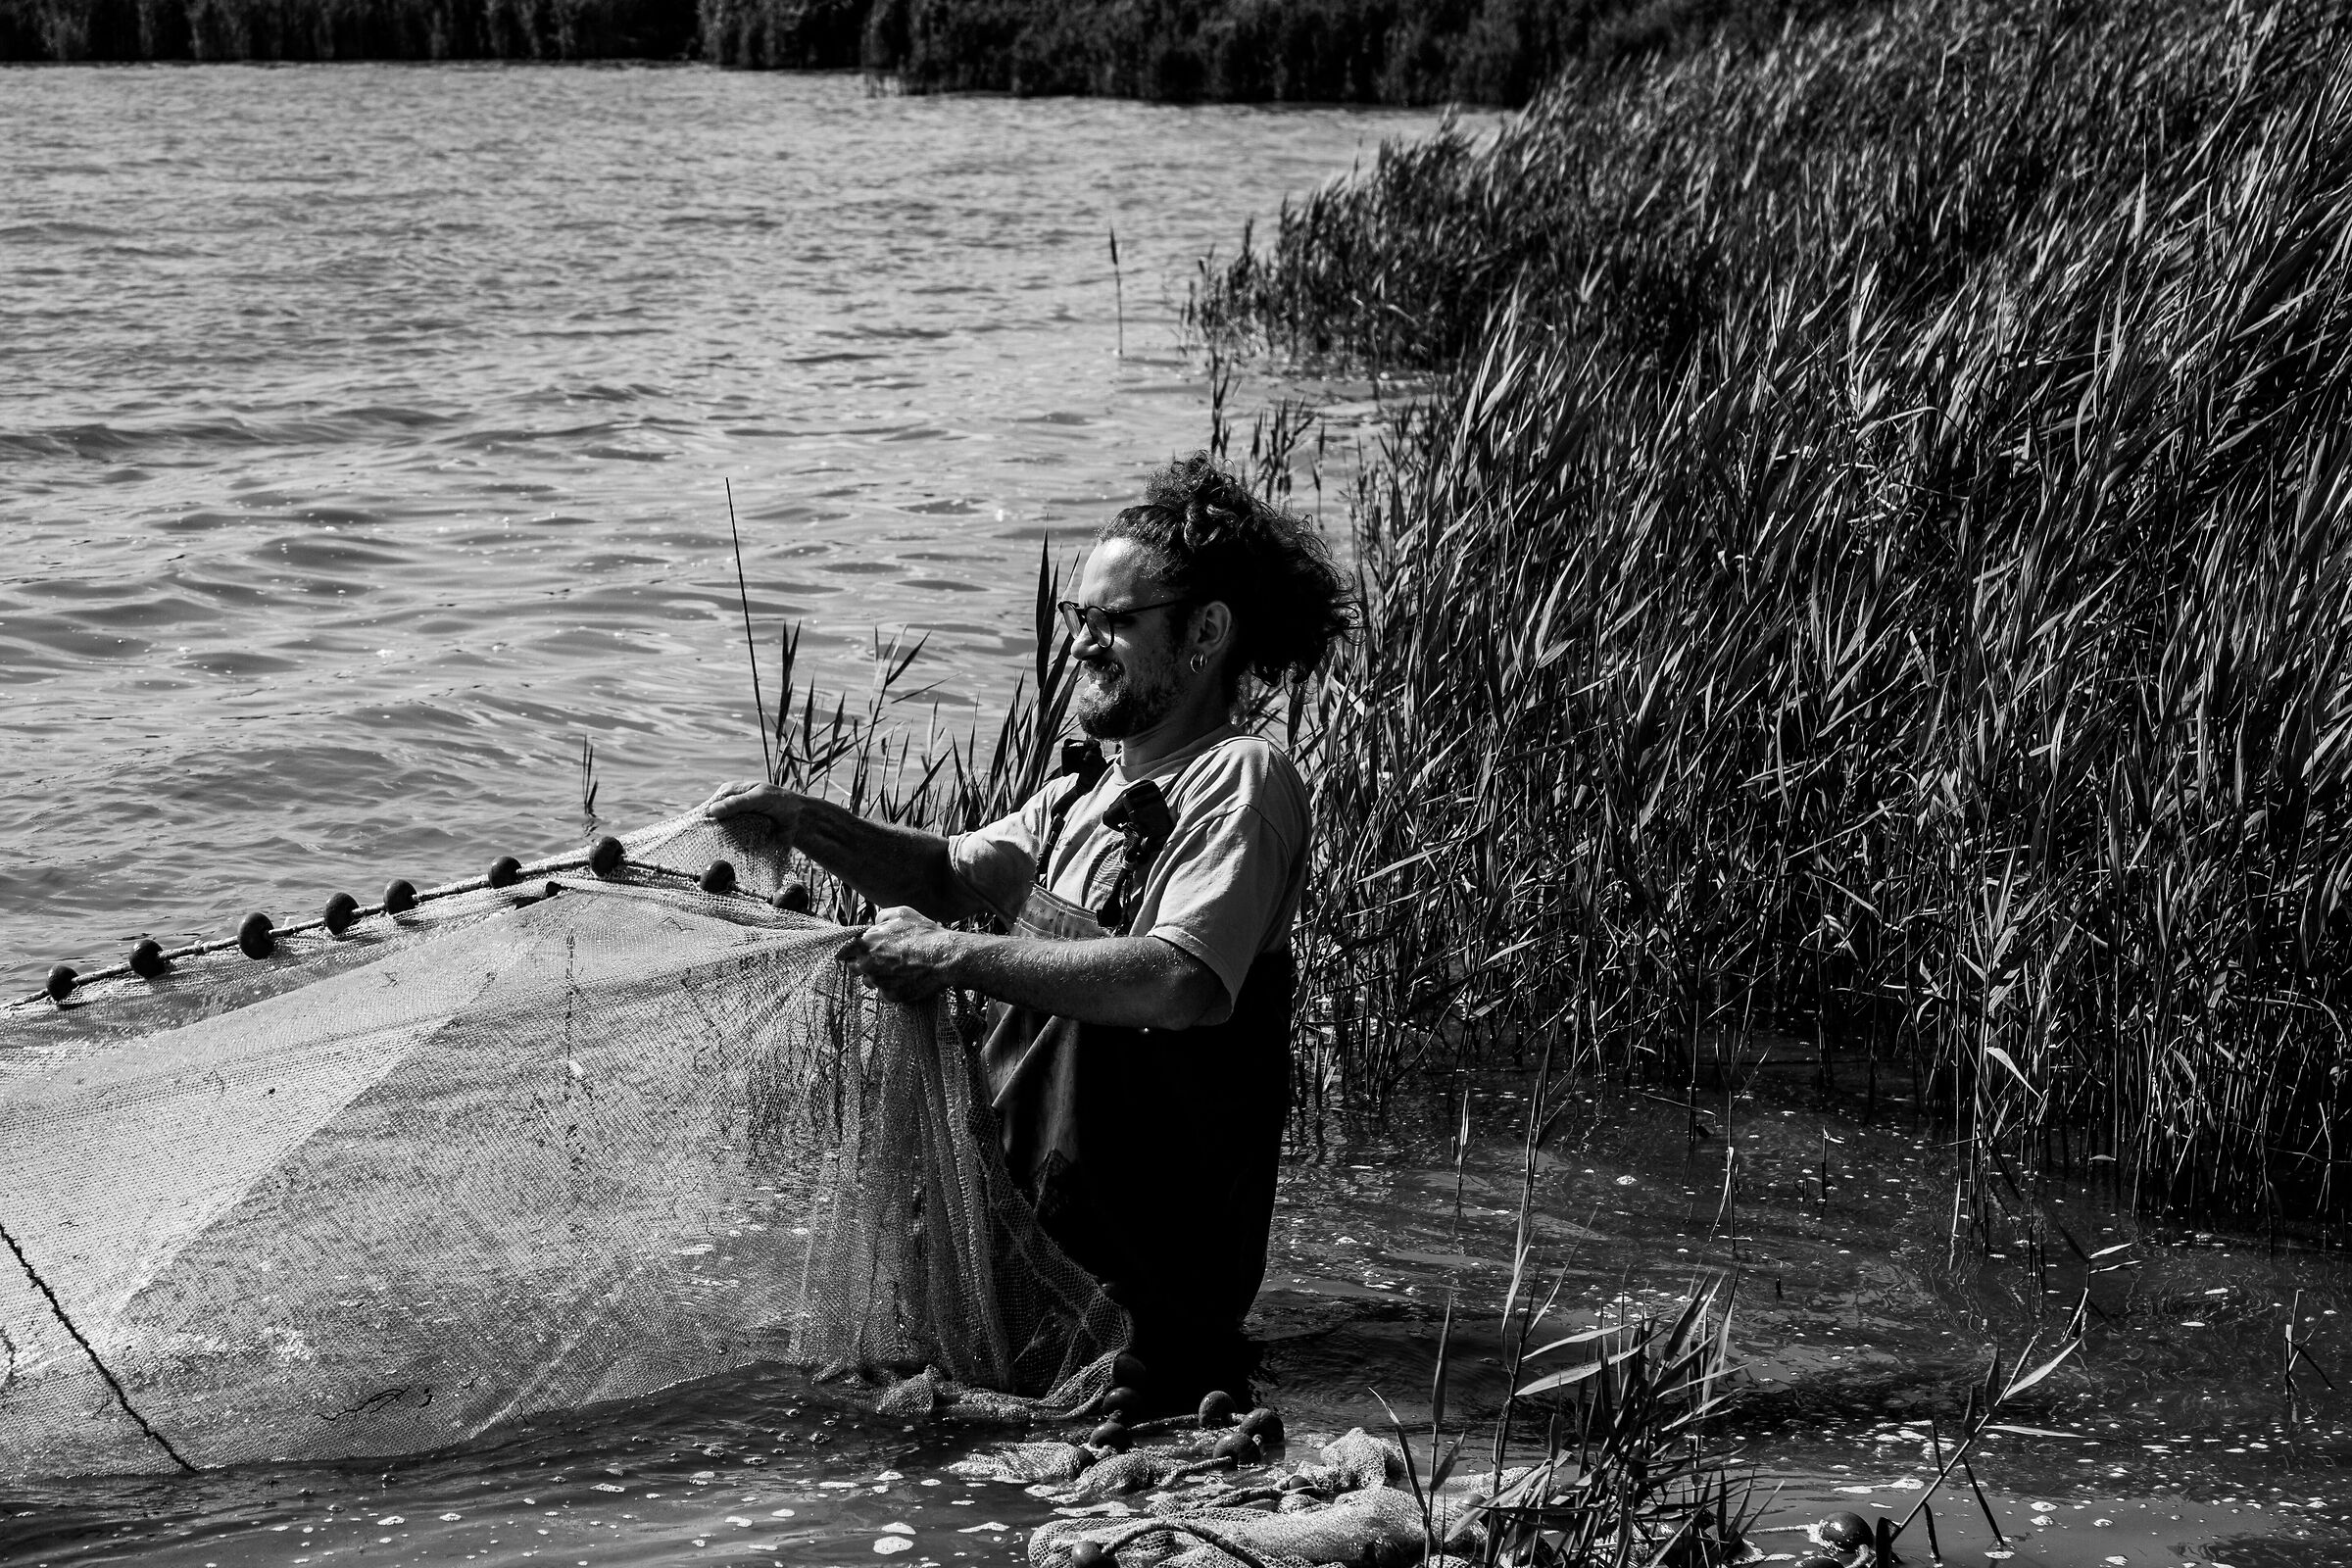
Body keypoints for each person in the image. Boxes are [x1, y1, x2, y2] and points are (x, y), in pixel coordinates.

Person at [702, 450, 1354, 1412]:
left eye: (1115, 623)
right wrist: (806, 822)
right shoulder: (1081, 791)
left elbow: (1178, 980)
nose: (1083, 643)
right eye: (1078, 618)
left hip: (1142, 1321)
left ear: (1206, 632)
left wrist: (956, 955)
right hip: (1026, 1280)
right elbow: (944, 871)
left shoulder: (1240, 781)